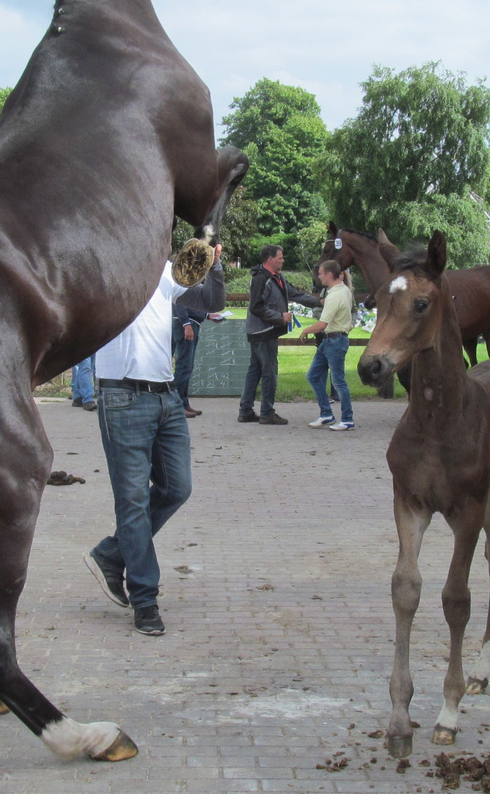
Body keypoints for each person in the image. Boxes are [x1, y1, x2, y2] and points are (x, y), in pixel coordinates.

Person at [85, 245, 224, 636]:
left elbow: (211, 301)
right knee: (133, 500)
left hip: (166, 396)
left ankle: (111, 555)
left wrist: (214, 265)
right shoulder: (106, 267)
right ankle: (144, 598)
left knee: (177, 487)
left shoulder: (167, 272)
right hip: (121, 395)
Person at [238, 244, 319, 425]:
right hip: (263, 332)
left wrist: (318, 301)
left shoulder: (277, 278)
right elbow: (256, 307)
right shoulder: (262, 279)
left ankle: (245, 411)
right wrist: (279, 317)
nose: (283, 260)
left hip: (263, 331)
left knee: (255, 370)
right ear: (270, 259)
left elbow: (296, 294)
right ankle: (267, 412)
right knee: (270, 372)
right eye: (280, 258)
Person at [298, 259, 355, 431]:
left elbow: (322, 323)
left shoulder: (335, 295)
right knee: (314, 376)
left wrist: (305, 330)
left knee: (338, 382)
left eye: (321, 273)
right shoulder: (343, 290)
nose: (319, 276)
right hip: (330, 340)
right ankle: (326, 414)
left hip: (335, 340)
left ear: (330, 274)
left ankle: (347, 419)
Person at [171, 302, 204, 417]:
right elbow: (179, 302)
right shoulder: (184, 285)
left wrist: (207, 315)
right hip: (186, 323)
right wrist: (186, 323)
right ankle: (177, 406)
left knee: (187, 367)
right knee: (183, 367)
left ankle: (184, 404)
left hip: (190, 322)